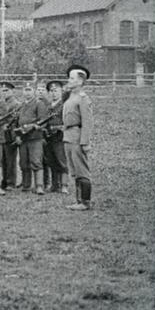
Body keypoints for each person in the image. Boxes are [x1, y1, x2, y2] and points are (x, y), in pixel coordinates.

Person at [63, 64, 94, 210]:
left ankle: (85, 202)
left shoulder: (83, 98)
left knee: (82, 170)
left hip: (77, 136)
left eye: (71, 78)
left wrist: (85, 142)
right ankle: (78, 200)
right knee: (74, 170)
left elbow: (87, 122)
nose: (68, 80)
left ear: (80, 81)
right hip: (68, 136)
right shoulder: (71, 96)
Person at [15, 81, 49, 194]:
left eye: (29, 90)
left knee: (36, 161)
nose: (27, 92)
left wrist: (32, 126)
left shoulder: (39, 104)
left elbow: (43, 121)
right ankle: (26, 185)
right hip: (23, 138)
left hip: (35, 137)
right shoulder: (21, 105)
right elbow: (17, 123)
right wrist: (18, 135)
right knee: (24, 162)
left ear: (34, 91)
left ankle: (39, 186)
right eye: (25, 90)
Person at [43, 80, 69, 194]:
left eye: (56, 90)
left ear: (61, 91)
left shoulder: (64, 105)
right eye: (51, 91)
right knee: (51, 161)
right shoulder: (48, 106)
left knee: (61, 161)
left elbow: (67, 121)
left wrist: (58, 127)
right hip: (48, 136)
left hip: (60, 136)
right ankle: (54, 185)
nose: (54, 93)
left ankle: (64, 185)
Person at [0, 81, 21, 190]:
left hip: (10, 134)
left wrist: (16, 134)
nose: (4, 93)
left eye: (6, 90)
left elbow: (16, 120)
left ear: (12, 91)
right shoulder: (2, 103)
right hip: (2, 134)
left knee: (10, 160)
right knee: (3, 159)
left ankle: (11, 182)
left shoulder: (16, 104)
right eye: (2, 91)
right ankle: (4, 180)